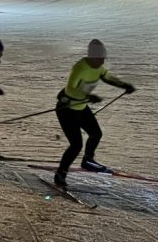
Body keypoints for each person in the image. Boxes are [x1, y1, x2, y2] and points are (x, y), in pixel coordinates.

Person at [53, 39, 135, 188]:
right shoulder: (80, 68)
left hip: (81, 108)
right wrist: (89, 97)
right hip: (66, 110)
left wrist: (124, 85)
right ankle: (60, 174)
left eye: (104, 58)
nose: (103, 61)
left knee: (96, 134)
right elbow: (70, 90)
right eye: (100, 58)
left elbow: (107, 77)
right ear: (92, 57)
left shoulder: (98, 68)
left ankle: (88, 160)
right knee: (76, 145)